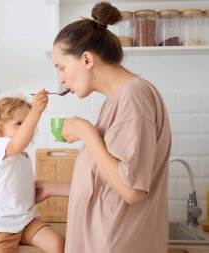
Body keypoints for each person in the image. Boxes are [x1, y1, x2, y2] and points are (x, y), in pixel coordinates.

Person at [35, 2, 172, 253]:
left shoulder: (134, 97)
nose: (61, 79)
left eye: (61, 68)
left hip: (116, 244)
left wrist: (88, 135)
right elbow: (109, 182)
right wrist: (51, 189)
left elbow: (131, 191)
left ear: (87, 59)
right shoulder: (119, 100)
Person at [0, 90, 65, 253]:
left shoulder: (23, 156)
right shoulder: (2, 145)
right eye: (19, 123)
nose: (27, 128)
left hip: (26, 220)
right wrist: (36, 111)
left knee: (58, 243)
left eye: (28, 122)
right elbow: (17, 143)